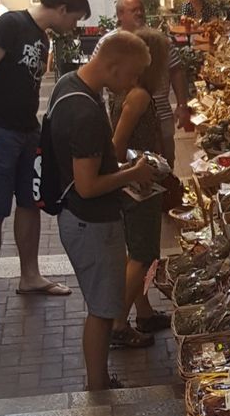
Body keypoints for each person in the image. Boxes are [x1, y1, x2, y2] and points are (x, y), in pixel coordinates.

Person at [0, 0, 91, 331]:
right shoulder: (11, 25)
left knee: (29, 203)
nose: (74, 27)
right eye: (75, 18)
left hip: (26, 131)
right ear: (62, 9)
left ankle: (30, 275)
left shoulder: (43, 36)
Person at [47, 30, 159, 392]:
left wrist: (122, 166)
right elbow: (88, 185)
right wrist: (134, 173)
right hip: (89, 221)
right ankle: (97, 383)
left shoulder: (69, 84)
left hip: (78, 216)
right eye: (130, 75)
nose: (130, 85)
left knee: (102, 303)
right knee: (101, 308)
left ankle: (99, 378)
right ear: (113, 66)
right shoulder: (86, 112)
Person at [108, 27, 171, 347]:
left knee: (139, 252)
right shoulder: (139, 96)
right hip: (138, 186)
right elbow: (117, 147)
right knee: (143, 255)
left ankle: (143, 311)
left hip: (135, 183)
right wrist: (140, 167)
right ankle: (119, 323)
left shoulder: (126, 91)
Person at [114, 0, 191, 166]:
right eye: (133, 10)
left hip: (161, 116)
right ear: (120, 14)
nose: (139, 13)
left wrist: (182, 105)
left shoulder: (159, 41)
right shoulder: (110, 42)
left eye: (141, 9)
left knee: (164, 165)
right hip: (127, 118)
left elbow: (177, 71)